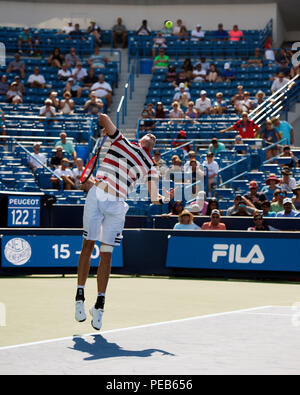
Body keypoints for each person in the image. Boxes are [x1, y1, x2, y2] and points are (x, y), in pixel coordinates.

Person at [74, 113, 174, 330]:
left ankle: (99, 305)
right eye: (148, 133)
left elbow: (154, 198)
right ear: (140, 139)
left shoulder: (150, 165)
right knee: (88, 246)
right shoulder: (122, 141)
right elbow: (105, 119)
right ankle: (79, 297)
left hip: (118, 205)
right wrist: (103, 120)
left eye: (154, 138)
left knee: (107, 255)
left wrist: (166, 198)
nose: (151, 136)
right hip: (98, 194)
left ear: (152, 148)